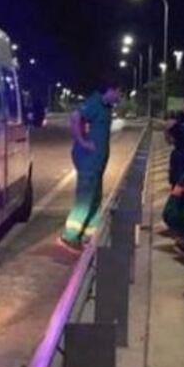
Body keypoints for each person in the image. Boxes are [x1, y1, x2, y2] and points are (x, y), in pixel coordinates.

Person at [59, 79, 124, 251]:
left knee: (95, 197)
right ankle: (70, 235)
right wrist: (83, 142)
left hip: (97, 162)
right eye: (119, 93)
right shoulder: (95, 103)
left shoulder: (106, 107)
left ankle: (88, 234)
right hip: (88, 160)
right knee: (85, 199)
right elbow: (75, 118)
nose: (120, 97)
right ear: (111, 90)